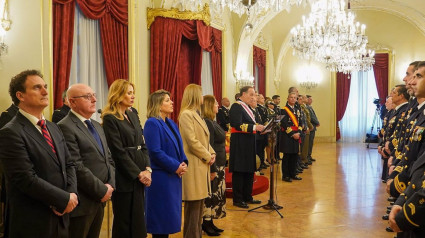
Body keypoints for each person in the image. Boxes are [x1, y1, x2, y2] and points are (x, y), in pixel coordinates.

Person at [0, 70, 78, 237]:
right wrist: (62, 200)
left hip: (62, 217)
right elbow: (25, 178)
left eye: (45, 86)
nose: (45, 92)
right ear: (20, 95)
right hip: (33, 220)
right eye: (37, 88)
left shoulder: (53, 127)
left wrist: (71, 195)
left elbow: (69, 164)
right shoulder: (10, 131)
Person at [58, 84, 115, 238]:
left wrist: (110, 185)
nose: (94, 99)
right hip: (83, 201)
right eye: (87, 96)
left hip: (100, 198)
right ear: (72, 102)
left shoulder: (96, 125)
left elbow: (108, 158)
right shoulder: (65, 126)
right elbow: (75, 165)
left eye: (94, 95)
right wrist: (101, 190)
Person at [101, 79, 151, 238]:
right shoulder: (110, 118)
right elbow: (117, 151)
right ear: (118, 94)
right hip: (124, 175)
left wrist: (148, 169)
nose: (133, 96)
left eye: (133, 93)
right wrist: (138, 173)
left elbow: (142, 143)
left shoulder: (133, 113)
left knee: (138, 217)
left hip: (141, 172)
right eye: (129, 93)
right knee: (124, 220)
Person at [144, 90, 188, 238]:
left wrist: (183, 162)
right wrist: (175, 166)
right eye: (167, 100)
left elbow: (179, 146)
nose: (172, 102)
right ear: (158, 104)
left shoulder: (170, 123)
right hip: (161, 178)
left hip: (173, 177)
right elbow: (155, 152)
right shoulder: (152, 123)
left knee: (168, 219)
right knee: (161, 222)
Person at [179, 84, 215, 238]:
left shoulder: (196, 114)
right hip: (194, 166)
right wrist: (207, 156)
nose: (202, 97)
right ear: (194, 96)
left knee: (199, 209)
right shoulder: (186, 114)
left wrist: (211, 153)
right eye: (200, 94)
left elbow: (204, 140)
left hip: (201, 165)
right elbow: (192, 141)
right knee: (193, 210)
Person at [229, 86, 264, 209]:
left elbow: (253, 124)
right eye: (251, 94)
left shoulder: (249, 108)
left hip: (249, 142)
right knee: (240, 171)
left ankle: (248, 196)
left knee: (249, 170)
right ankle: (238, 199)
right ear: (243, 94)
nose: (253, 97)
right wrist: (255, 127)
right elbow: (236, 124)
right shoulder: (236, 106)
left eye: (254, 94)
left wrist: (260, 129)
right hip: (240, 143)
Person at [201, 95, 227, 236]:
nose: (218, 105)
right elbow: (208, 146)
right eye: (216, 103)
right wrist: (213, 168)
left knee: (215, 195)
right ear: (209, 106)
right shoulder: (208, 122)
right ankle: (206, 223)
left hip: (220, 163)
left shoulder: (212, 121)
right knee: (210, 196)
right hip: (214, 164)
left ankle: (210, 222)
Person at [280, 92, 303, 182]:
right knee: (287, 156)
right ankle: (285, 175)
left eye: (295, 98)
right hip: (288, 136)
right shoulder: (284, 110)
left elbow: (300, 123)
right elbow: (284, 124)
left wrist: (299, 133)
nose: (293, 99)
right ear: (287, 98)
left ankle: (293, 174)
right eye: (291, 97)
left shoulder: (297, 109)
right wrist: (293, 134)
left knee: (294, 155)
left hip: (297, 135)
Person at [306, 95, 320, 163]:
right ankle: (307, 156)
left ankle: (309, 155)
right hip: (310, 127)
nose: (312, 100)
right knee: (309, 143)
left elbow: (314, 116)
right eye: (310, 99)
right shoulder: (307, 107)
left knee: (311, 143)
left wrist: (317, 122)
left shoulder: (310, 107)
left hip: (312, 127)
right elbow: (311, 117)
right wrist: (317, 122)